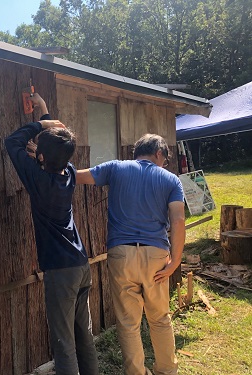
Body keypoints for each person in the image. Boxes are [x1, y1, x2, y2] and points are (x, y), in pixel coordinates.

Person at [5, 93, 99, 375]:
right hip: (81, 265)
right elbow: (60, 145)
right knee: (84, 333)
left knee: (63, 340)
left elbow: (12, 142)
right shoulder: (68, 172)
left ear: (41, 156)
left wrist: (39, 125)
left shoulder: (39, 179)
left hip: (61, 271)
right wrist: (44, 112)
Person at [76, 134, 186, 375]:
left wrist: (49, 159)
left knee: (128, 322)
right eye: (165, 160)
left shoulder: (115, 168)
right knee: (159, 318)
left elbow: (77, 175)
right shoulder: (171, 180)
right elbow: (178, 221)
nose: (164, 165)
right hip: (156, 256)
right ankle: (167, 371)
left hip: (121, 254)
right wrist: (175, 261)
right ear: (159, 153)